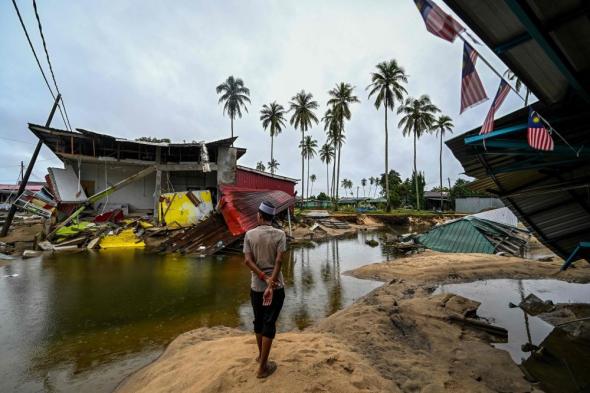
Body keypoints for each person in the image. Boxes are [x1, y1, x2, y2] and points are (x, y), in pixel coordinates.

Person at [243, 201, 286, 378]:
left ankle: (262, 356)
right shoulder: (280, 234)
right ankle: (262, 368)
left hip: (257, 287)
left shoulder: (249, 234)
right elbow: (279, 262)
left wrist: (263, 278)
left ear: (260, 216)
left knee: (259, 321)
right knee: (269, 323)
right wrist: (271, 282)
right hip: (275, 287)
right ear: (272, 217)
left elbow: (247, 261)